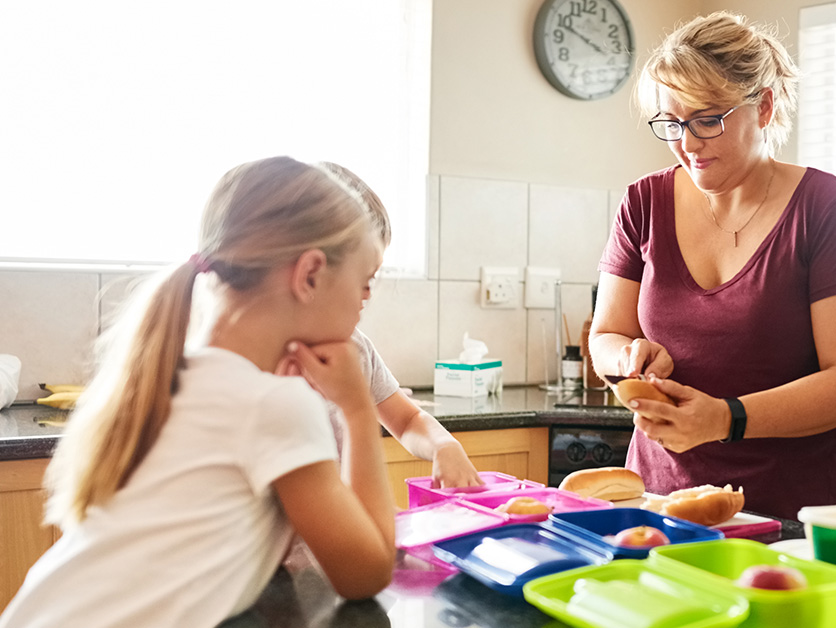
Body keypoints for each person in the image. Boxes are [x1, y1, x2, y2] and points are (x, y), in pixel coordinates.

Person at [0, 157, 398, 627]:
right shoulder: (275, 404)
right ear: (310, 275)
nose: (363, 302)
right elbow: (366, 573)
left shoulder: (167, 374)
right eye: (365, 282)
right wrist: (356, 410)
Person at [589, 12, 836, 521]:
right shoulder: (643, 203)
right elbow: (605, 335)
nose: (688, 143)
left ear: (763, 107)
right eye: (672, 123)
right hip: (667, 500)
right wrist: (628, 357)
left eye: (708, 119)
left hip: (810, 511)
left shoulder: (832, 211)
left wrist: (725, 418)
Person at [294, 163, 482, 491]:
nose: (369, 295)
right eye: (365, 279)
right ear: (312, 273)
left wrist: (443, 444)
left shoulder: (356, 348)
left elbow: (407, 418)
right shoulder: (269, 379)